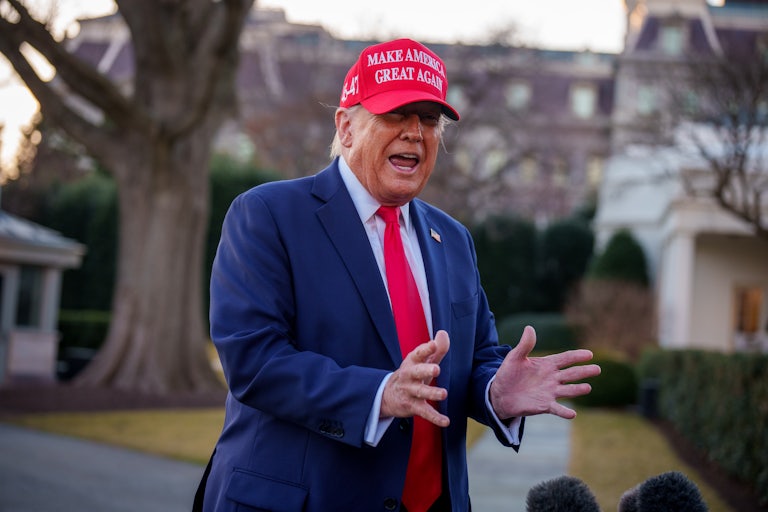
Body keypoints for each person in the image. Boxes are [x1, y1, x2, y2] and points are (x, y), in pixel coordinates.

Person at [197, 38, 600, 512]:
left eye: (429, 120)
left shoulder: (453, 239)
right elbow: (255, 361)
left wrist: (496, 392)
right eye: (395, 114)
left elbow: (478, 357)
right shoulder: (266, 215)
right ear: (346, 127)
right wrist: (379, 394)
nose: (415, 133)